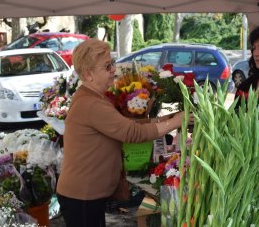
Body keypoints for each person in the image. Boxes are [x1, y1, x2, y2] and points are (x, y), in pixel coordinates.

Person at [56, 38, 185, 227]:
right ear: (88, 74)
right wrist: (175, 122)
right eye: (107, 66)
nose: (114, 70)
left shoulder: (92, 97)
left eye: (112, 63)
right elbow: (132, 133)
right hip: (82, 196)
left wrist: (161, 120)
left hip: (85, 194)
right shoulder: (91, 104)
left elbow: (122, 124)